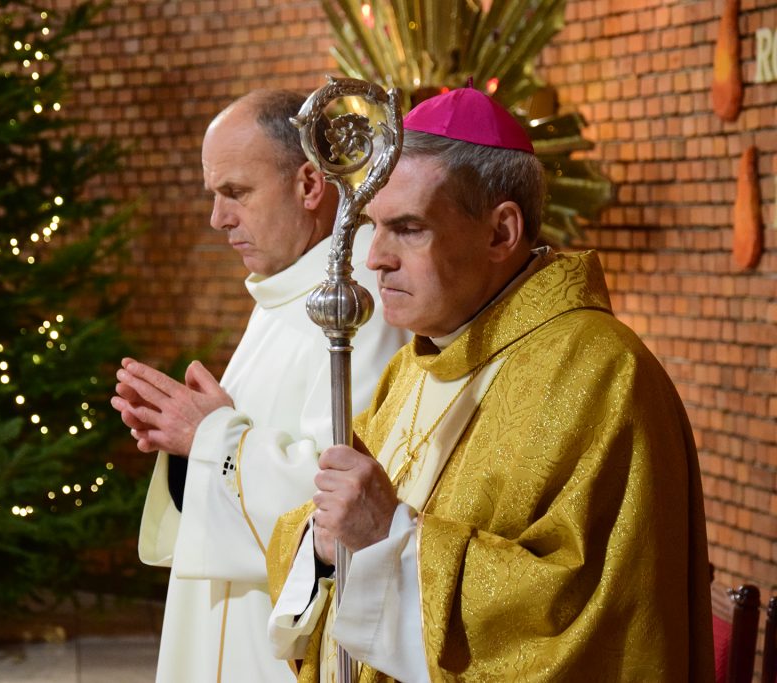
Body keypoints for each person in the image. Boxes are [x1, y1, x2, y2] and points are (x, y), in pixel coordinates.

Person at [266, 86, 715, 682]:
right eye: (374, 226)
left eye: (408, 228)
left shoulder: (603, 373)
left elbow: (581, 618)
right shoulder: (411, 368)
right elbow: (344, 523)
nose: (375, 258)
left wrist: (388, 537)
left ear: (501, 232)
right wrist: (323, 545)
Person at [110, 89, 409, 682]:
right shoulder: (286, 289)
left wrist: (210, 437)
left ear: (309, 184)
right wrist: (186, 445)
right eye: (214, 195)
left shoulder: (356, 306)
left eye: (235, 192)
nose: (218, 218)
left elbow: (346, 499)